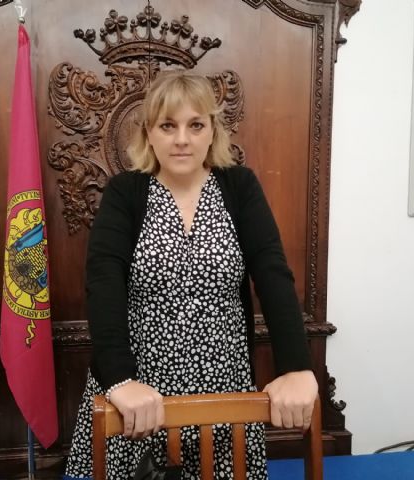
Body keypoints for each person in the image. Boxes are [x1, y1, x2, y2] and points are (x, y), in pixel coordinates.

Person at [64, 71, 318, 479]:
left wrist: (296, 367)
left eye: (195, 125)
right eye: (168, 126)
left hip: (225, 396)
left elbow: (272, 274)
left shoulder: (239, 186)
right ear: (149, 133)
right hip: (138, 400)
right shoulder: (126, 192)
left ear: (212, 131)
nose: (181, 139)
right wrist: (120, 381)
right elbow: (103, 284)